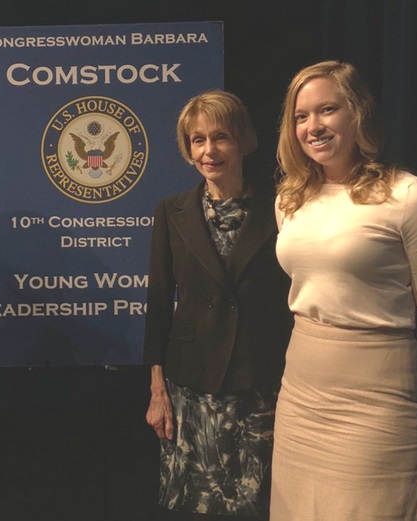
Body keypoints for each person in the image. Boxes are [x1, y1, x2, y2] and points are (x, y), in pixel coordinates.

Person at [269, 60, 417, 520]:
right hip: (300, 394)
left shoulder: (413, 197)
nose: (313, 126)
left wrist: (404, 391)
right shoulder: (290, 199)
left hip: (380, 403)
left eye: (327, 109)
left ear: (357, 114)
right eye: (300, 115)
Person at [143, 90, 293, 520]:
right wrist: (157, 390)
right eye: (198, 140)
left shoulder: (283, 208)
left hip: (261, 380)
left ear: (243, 140)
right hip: (191, 384)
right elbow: (158, 305)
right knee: (198, 505)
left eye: (221, 137)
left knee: (258, 504)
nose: (209, 150)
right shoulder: (170, 212)